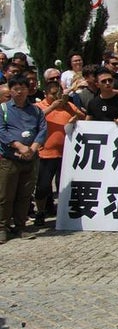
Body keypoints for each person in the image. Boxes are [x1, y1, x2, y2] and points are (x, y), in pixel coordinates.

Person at [0, 75, 47, 242]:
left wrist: (32, 148)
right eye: (15, 89)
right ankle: (2, 227)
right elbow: (2, 131)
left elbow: (42, 129)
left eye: (23, 88)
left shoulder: (35, 110)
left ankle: (21, 226)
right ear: (10, 90)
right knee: (6, 195)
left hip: (30, 158)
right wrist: (19, 146)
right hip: (10, 158)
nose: (19, 92)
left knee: (25, 195)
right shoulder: (4, 109)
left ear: (29, 89)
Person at [33, 80, 85, 226]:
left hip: (66, 154)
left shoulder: (68, 105)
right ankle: (40, 212)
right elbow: (34, 119)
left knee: (63, 185)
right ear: (46, 94)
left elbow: (84, 117)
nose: (56, 97)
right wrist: (52, 108)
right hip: (46, 153)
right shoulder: (39, 106)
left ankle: (63, 212)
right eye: (53, 94)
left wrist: (69, 109)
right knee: (43, 186)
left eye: (59, 94)